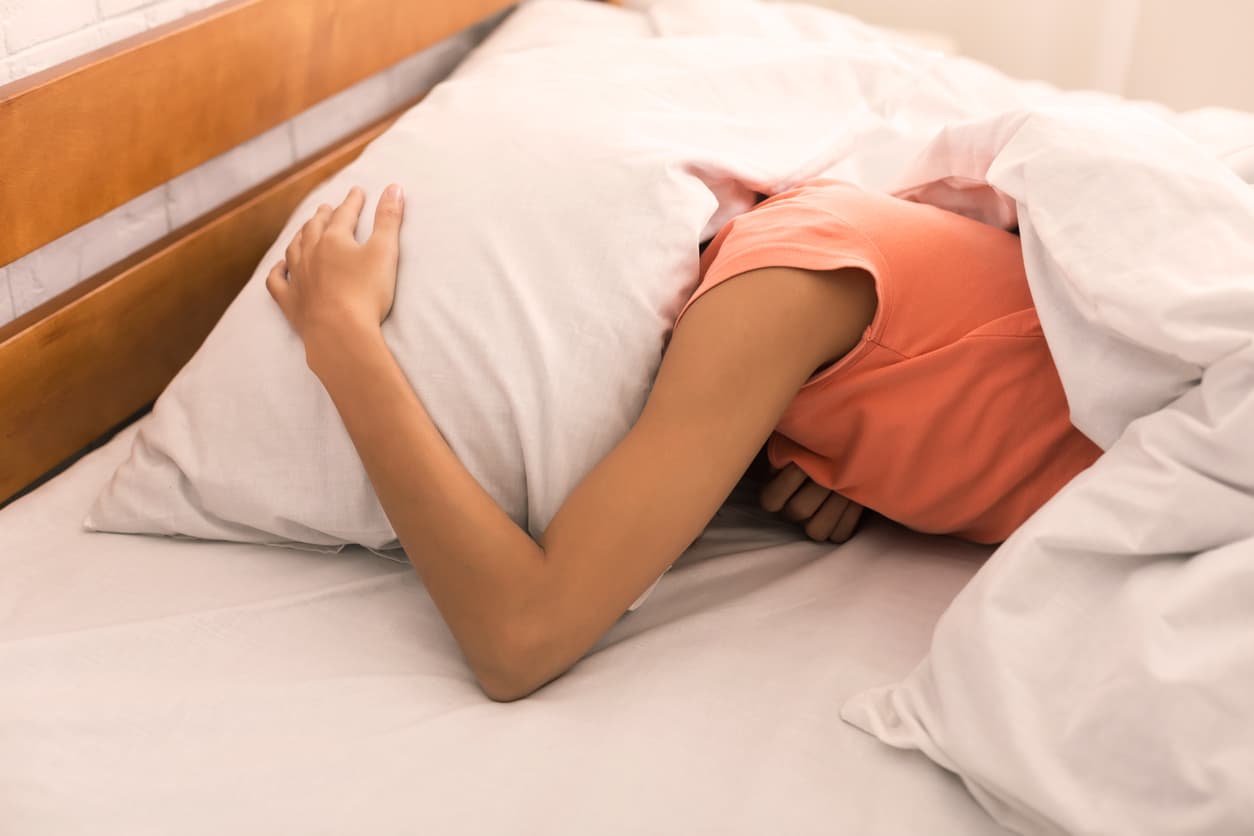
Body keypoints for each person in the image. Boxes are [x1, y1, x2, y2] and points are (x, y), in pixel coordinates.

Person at [264, 178, 1101, 703]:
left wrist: (343, 339)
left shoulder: (777, 287)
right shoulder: (819, 239)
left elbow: (520, 639)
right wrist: (881, 449)